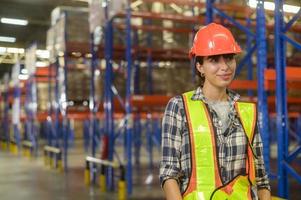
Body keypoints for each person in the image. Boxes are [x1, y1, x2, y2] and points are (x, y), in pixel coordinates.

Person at [159, 23, 271, 200]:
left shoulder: (247, 113)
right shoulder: (179, 107)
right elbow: (169, 173)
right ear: (200, 66)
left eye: (228, 58)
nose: (225, 66)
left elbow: (262, 179)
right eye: (214, 60)